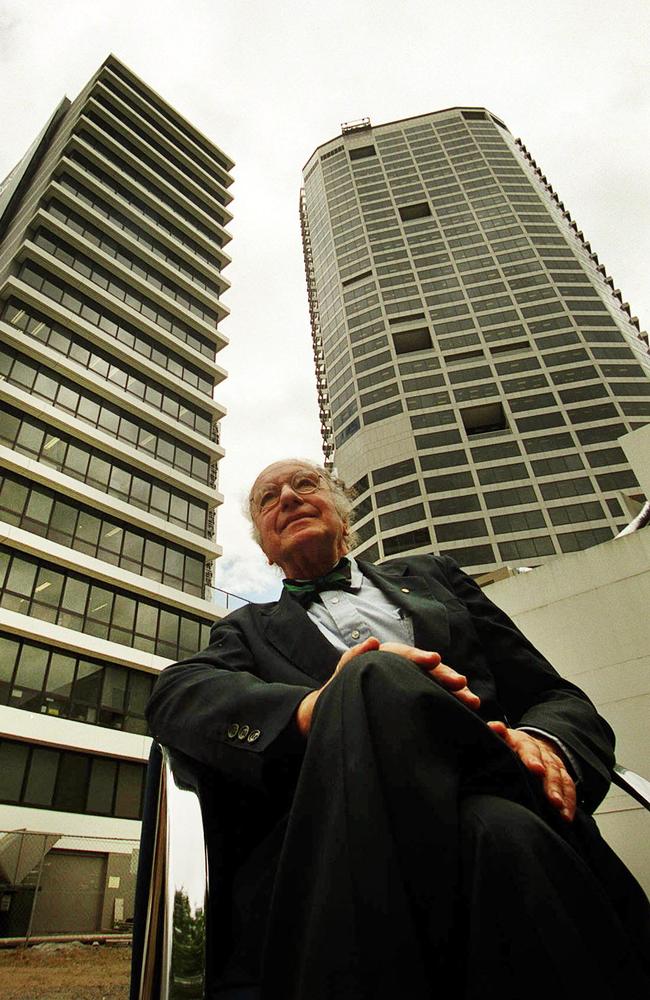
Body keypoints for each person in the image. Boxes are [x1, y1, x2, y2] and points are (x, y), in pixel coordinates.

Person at [146, 459, 650, 1000]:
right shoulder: (244, 632)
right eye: (268, 498)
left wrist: (544, 741)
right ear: (265, 550)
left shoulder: (436, 578)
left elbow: (554, 695)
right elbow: (174, 695)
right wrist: (314, 708)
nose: (288, 497)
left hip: (500, 777)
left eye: (305, 484)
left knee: (496, 815)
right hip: (347, 838)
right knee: (484, 812)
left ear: (343, 515)